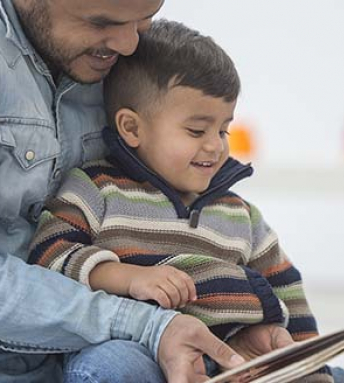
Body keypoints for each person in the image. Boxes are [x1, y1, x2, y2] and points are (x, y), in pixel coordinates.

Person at [28, 20, 344, 383]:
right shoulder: (96, 187)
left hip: (238, 359)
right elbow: (49, 253)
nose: (216, 145)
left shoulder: (239, 214)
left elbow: (286, 286)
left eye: (223, 129)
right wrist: (128, 277)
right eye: (197, 131)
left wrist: (307, 362)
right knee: (107, 368)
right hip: (141, 350)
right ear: (132, 128)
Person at [0, 1, 246, 382]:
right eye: (102, 22)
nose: (130, 45)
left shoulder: (115, 59)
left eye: (144, 21)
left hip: (141, 346)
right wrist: (147, 325)